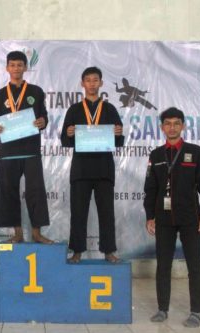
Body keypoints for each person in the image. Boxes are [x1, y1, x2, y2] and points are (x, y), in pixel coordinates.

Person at [144, 107, 200, 328]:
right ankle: (162, 309)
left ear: (183, 126)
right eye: (168, 123)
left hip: (191, 218)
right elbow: (151, 188)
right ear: (162, 127)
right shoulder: (156, 155)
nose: (172, 127)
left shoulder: (195, 152)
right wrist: (150, 217)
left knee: (195, 265)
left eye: (176, 123)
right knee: (163, 265)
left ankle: (196, 311)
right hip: (163, 219)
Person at [60, 66, 124, 263]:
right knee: (78, 213)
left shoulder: (110, 109)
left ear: (101, 83)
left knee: (107, 213)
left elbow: (120, 142)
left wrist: (119, 134)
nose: (92, 84)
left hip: (104, 169)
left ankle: (109, 251)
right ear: (82, 84)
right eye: (88, 80)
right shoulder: (75, 109)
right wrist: (69, 134)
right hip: (81, 170)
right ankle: (77, 251)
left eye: (95, 80)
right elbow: (64, 140)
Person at [0, 50, 52, 244]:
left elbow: (43, 116)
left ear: (25, 67)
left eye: (20, 65)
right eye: (12, 65)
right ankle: (17, 233)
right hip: (8, 151)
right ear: (7, 68)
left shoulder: (36, 91)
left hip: (30, 149)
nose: (16, 68)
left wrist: (43, 121)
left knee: (36, 191)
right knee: (8, 191)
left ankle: (36, 232)